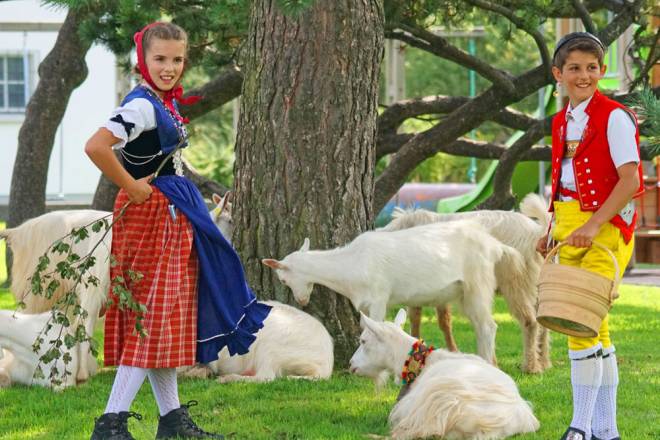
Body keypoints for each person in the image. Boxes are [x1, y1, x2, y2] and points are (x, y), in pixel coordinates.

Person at [85, 22, 271, 440]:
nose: (169, 67)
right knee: (151, 318)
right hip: (152, 220)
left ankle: (171, 422)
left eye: (177, 59)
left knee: (164, 320)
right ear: (142, 60)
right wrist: (132, 187)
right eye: (160, 59)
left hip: (171, 217)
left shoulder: (159, 102)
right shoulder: (141, 106)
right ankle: (110, 424)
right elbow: (97, 145)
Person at [536, 32, 644, 440]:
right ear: (558, 74)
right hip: (568, 226)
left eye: (592, 68)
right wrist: (550, 231)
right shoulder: (561, 120)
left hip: (606, 228)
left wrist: (594, 225)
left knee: (578, 317)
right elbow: (565, 181)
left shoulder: (614, 116)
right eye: (575, 69)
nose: (584, 76)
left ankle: (579, 427)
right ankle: (606, 430)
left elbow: (630, 180)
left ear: (601, 71)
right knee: (595, 328)